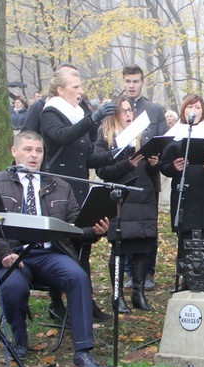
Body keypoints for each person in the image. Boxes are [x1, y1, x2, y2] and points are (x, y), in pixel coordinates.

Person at [0, 131, 109, 367]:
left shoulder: (60, 185)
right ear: (14, 152)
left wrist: (96, 230)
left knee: (78, 277)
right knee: (13, 288)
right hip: (12, 256)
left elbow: (74, 228)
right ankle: (19, 341)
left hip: (50, 254)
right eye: (27, 149)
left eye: (38, 150)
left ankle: (83, 353)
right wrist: (3, 253)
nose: (34, 155)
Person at [39, 67, 116, 323]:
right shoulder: (50, 112)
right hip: (58, 190)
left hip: (80, 188)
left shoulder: (79, 114)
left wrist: (116, 153)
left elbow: (88, 157)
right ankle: (57, 302)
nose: (81, 91)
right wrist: (94, 118)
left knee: (84, 245)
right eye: (75, 87)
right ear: (61, 90)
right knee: (60, 245)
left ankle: (84, 301)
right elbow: (63, 136)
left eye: (81, 86)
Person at [94, 96, 159, 312]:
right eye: (123, 111)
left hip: (144, 195)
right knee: (120, 248)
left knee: (142, 246)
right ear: (115, 116)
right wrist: (126, 165)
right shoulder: (105, 138)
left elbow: (151, 170)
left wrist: (153, 164)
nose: (128, 114)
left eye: (130, 110)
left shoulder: (143, 136)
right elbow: (102, 171)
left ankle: (138, 294)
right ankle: (117, 295)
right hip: (121, 199)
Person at [159, 94, 204, 292]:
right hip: (184, 193)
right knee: (185, 240)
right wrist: (173, 167)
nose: (193, 110)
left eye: (197, 106)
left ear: (203, 110)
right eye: (189, 107)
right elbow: (164, 165)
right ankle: (186, 280)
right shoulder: (173, 134)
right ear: (183, 111)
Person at [121, 64, 168, 291]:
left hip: (148, 176)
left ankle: (148, 271)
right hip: (124, 176)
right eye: (128, 81)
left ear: (142, 82)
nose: (131, 86)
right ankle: (130, 271)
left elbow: (163, 141)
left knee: (148, 226)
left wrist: (156, 159)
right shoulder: (116, 108)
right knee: (126, 225)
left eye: (135, 81)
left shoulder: (155, 110)